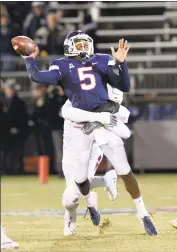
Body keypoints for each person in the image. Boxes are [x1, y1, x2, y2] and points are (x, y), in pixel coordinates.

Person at [22, 30, 157, 236]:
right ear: (69, 47)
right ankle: (91, 202)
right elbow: (36, 76)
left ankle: (142, 211)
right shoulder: (62, 65)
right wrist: (30, 60)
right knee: (80, 179)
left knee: (124, 169)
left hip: (105, 120)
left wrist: (121, 63)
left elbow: (125, 85)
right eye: (79, 44)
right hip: (82, 126)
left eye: (86, 44)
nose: (83, 48)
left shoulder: (101, 60)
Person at [61, 86, 129, 236]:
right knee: (71, 187)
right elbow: (68, 113)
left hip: (90, 152)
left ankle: (76, 214)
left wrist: (108, 121)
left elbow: (124, 131)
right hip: (70, 150)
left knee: (70, 196)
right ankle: (104, 182)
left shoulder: (112, 107)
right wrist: (97, 118)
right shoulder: (75, 101)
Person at [2, 79, 28, 174]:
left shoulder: (20, 103)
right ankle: (6, 169)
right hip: (4, 132)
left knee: (17, 152)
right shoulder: (3, 101)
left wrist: (17, 128)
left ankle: (17, 170)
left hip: (17, 131)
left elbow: (22, 117)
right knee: (5, 153)